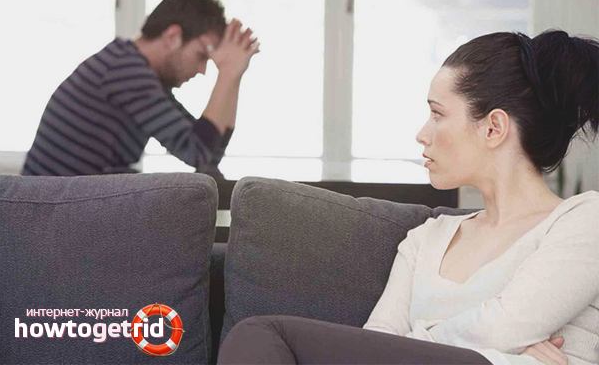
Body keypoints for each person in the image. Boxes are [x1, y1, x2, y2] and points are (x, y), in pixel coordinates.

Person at [217, 29, 599, 365]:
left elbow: (505, 327)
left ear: (494, 128)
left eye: (438, 114)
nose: (422, 134)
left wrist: (420, 339)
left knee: (262, 335)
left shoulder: (583, 220)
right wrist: (503, 357)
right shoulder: (426, 239)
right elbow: (372, 350)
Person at [21, 0, 259, 176]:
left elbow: (209, 154)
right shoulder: (125, 72)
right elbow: (197, 152)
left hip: (64, 207)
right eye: (201, 56)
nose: (202, 70)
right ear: (173, 37)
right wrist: (227, 72)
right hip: (50, 216)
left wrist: (234, 75)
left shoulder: (133, 68)